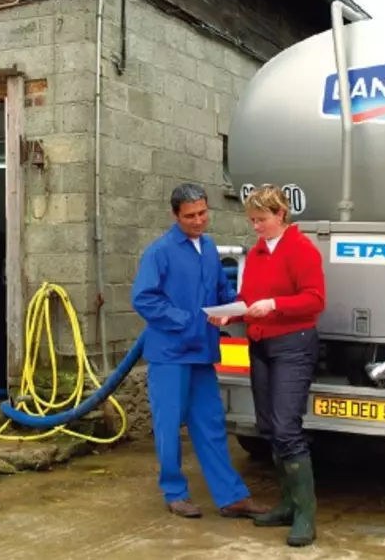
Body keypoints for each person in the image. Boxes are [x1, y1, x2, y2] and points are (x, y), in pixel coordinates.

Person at [131, 182, 269, 520]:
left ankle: (231, 497)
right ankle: (175, 493)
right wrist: (188, 320)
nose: (198, 220)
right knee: (168, 427)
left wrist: (235, 307)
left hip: (202, 353)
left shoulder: (208, 248)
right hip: (170, 355)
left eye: (203, 213)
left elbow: (220, 289)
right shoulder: (159, 252)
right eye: (190, 215)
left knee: (211, 425)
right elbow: (144, 298)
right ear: (175, 215)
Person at [209, 184, 326, 547]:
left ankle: (306, 514)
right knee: (269, 427)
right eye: (252, 221)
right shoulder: (258, 253)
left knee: (288, 428)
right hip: (260, 344)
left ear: (280, 214)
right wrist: (232, 316)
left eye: (261, 220)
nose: (255, 227)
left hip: (293, 345)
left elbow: (314, 299)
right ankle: (289, 504)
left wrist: (274, 305)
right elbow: (248, 297)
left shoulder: (301, 249)